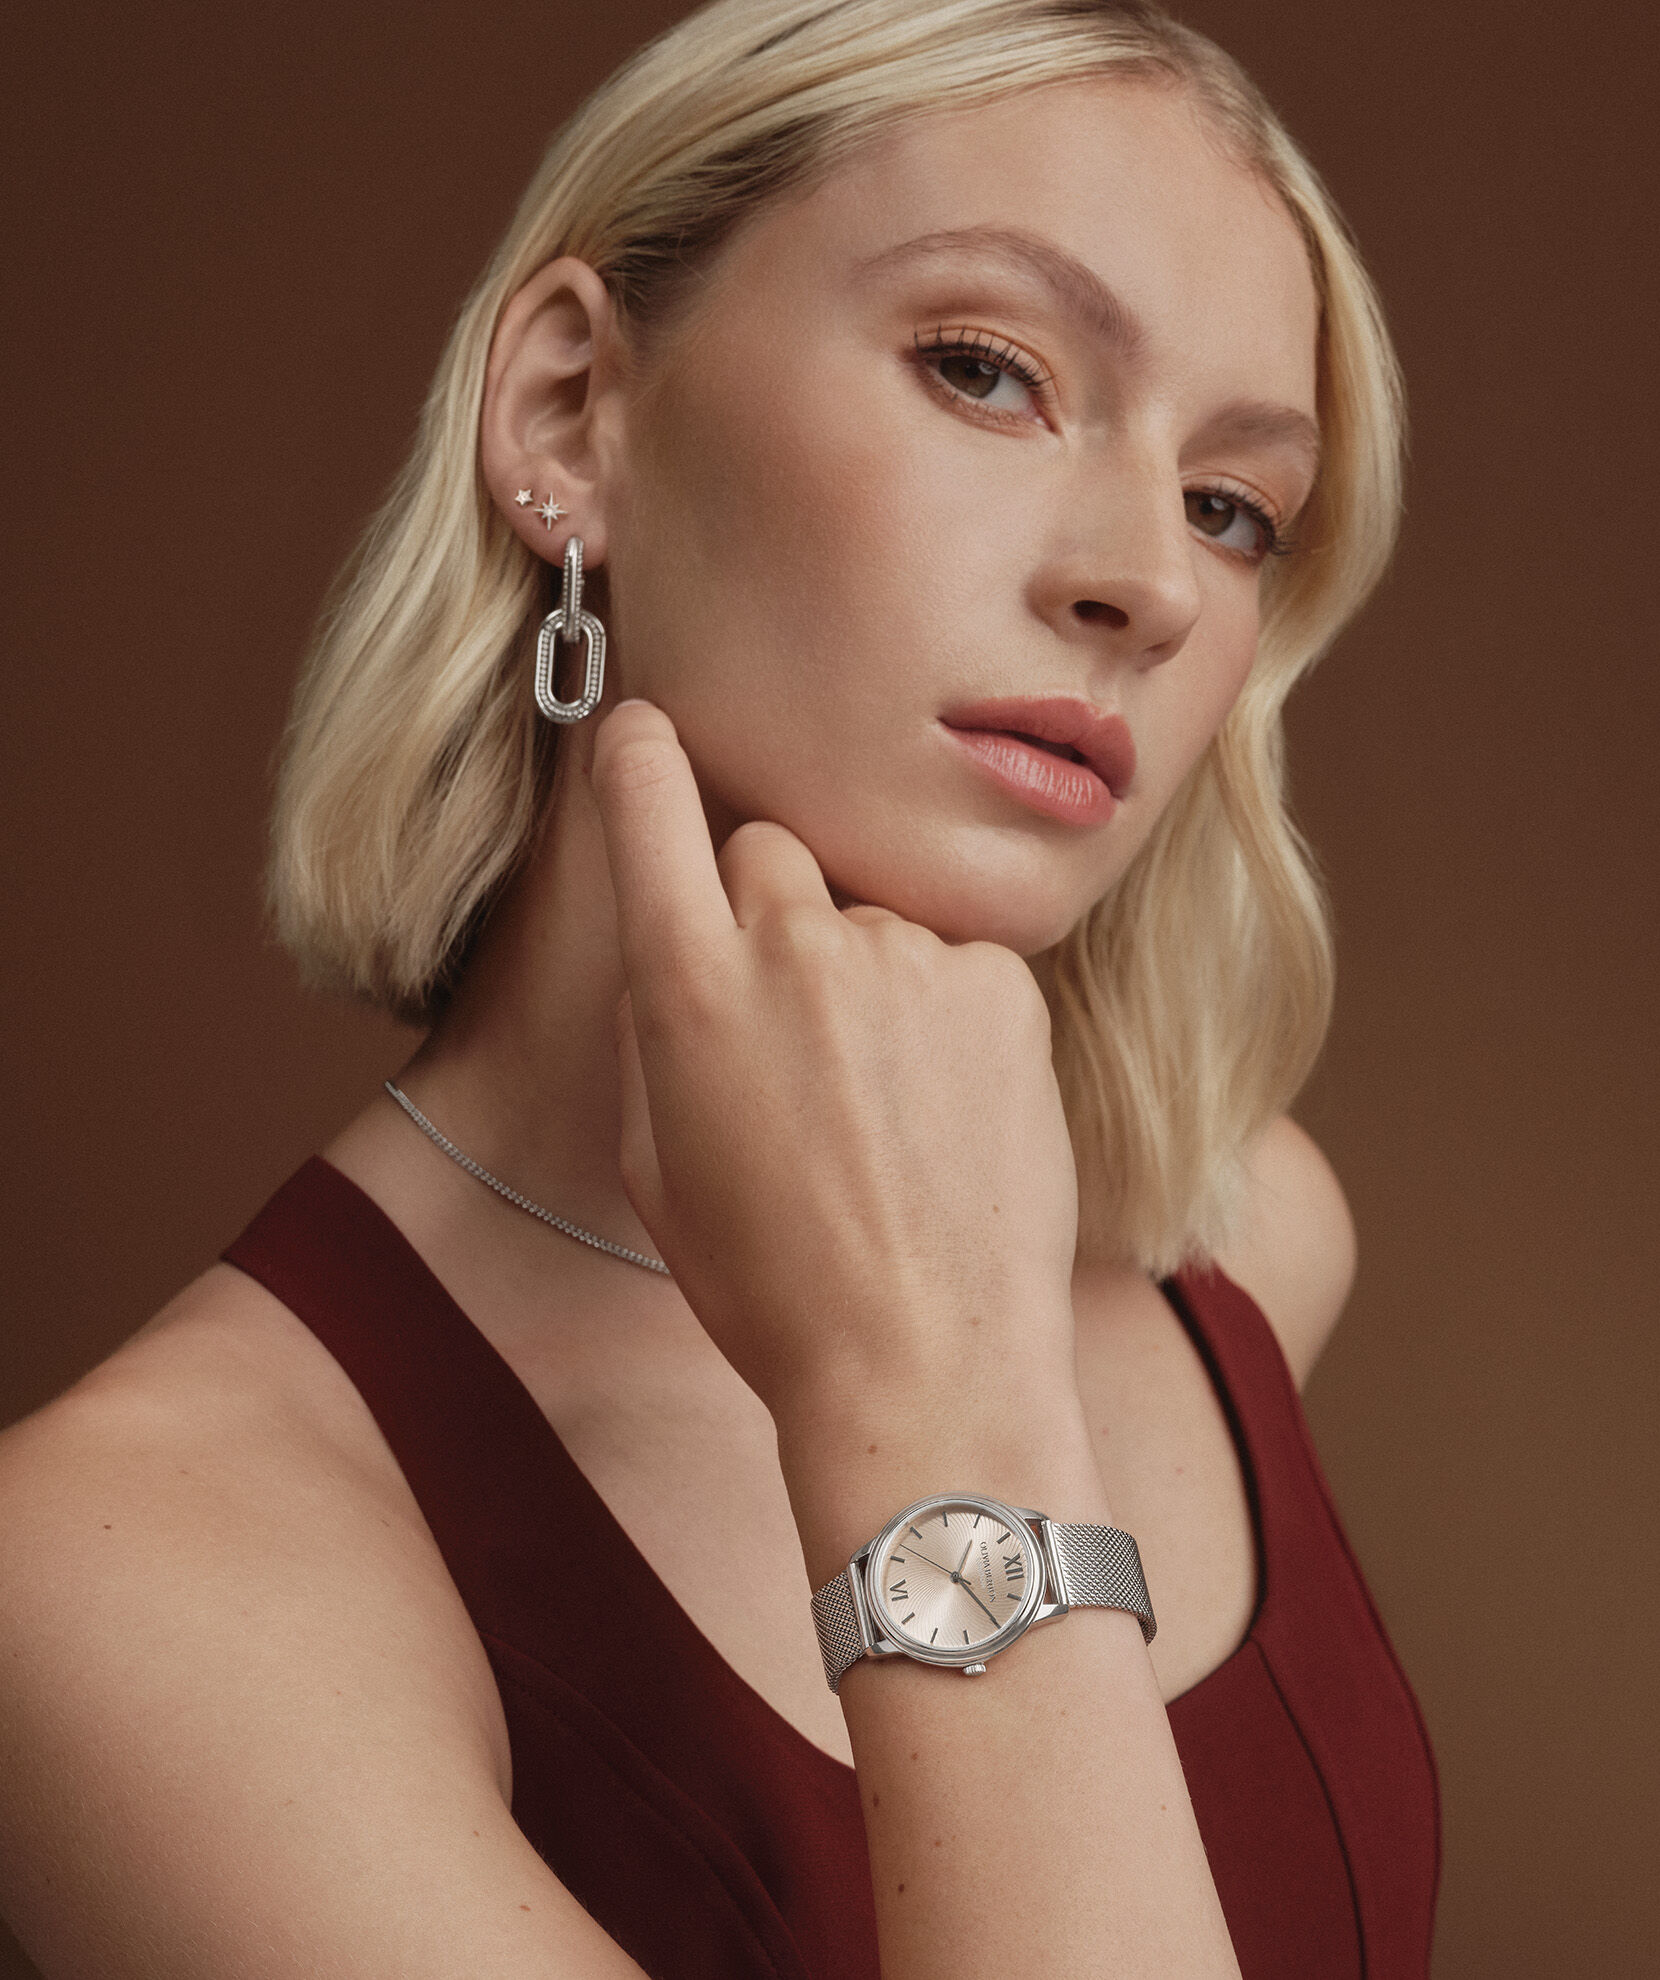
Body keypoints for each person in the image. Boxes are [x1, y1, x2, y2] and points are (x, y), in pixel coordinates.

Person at [0, 1, 1438, 1974]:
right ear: (568, 412)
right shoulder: (117, 1578)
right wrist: (930, 1408)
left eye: (1230, 506)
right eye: (987, 371)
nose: (1151, 583)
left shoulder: (1242, 1245)